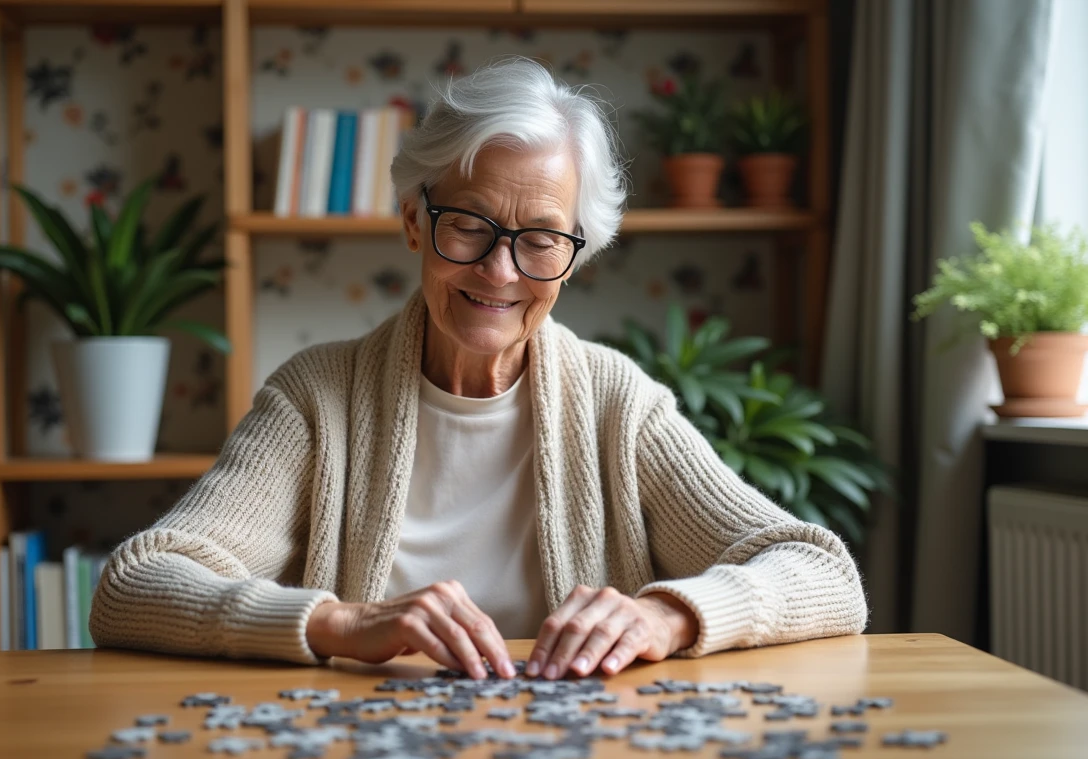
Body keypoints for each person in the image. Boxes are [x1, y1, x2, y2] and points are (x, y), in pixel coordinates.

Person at [89, 57, 866, 682]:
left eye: (539, 239)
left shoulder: (617, 404)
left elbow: (823, 573)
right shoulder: (314, 399)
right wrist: (344, 623)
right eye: (469, 224)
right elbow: (134, 586)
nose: (500, 271)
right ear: (412, 222)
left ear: (575, 257)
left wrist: (666, 616)